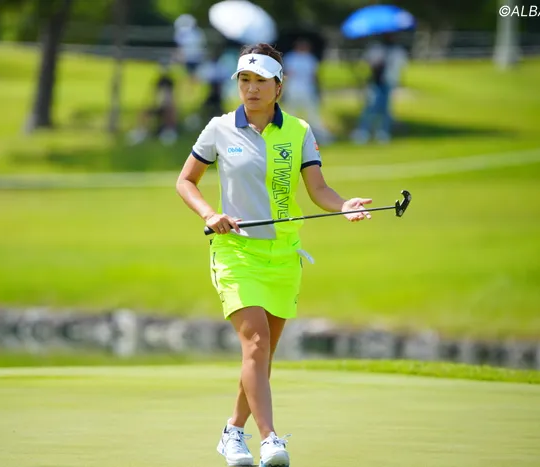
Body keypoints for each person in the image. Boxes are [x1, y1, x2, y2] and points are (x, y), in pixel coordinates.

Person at [175, 43, 372, 467]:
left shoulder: (299, 131)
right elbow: (186, 181)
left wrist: (343, 206)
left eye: (261, 81)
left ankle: (232, 432)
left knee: (261, 355)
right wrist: (210, 214)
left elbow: (318, 189)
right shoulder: (219, 128)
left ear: (278, 87)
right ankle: (269, 440)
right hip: (236, 252)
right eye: (244, 80)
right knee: (256, 343)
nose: (251, 89)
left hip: (284, 256)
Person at [351, 33, 409, 144]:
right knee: (370, 107)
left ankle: (383, 133)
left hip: (389, 82)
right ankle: (363, 132)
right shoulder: (376, 49)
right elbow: (367, 63)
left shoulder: (397, 51)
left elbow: (401, 67)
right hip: (375, 82)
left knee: (385, 109)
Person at [282, 38, 333, 145]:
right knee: (294, 115)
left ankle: (321, 138)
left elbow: (313, 76)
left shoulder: (303, 58)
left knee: (310, 116)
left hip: (301, 90)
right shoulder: (299, 58)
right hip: (298, 90)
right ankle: (288, 138)